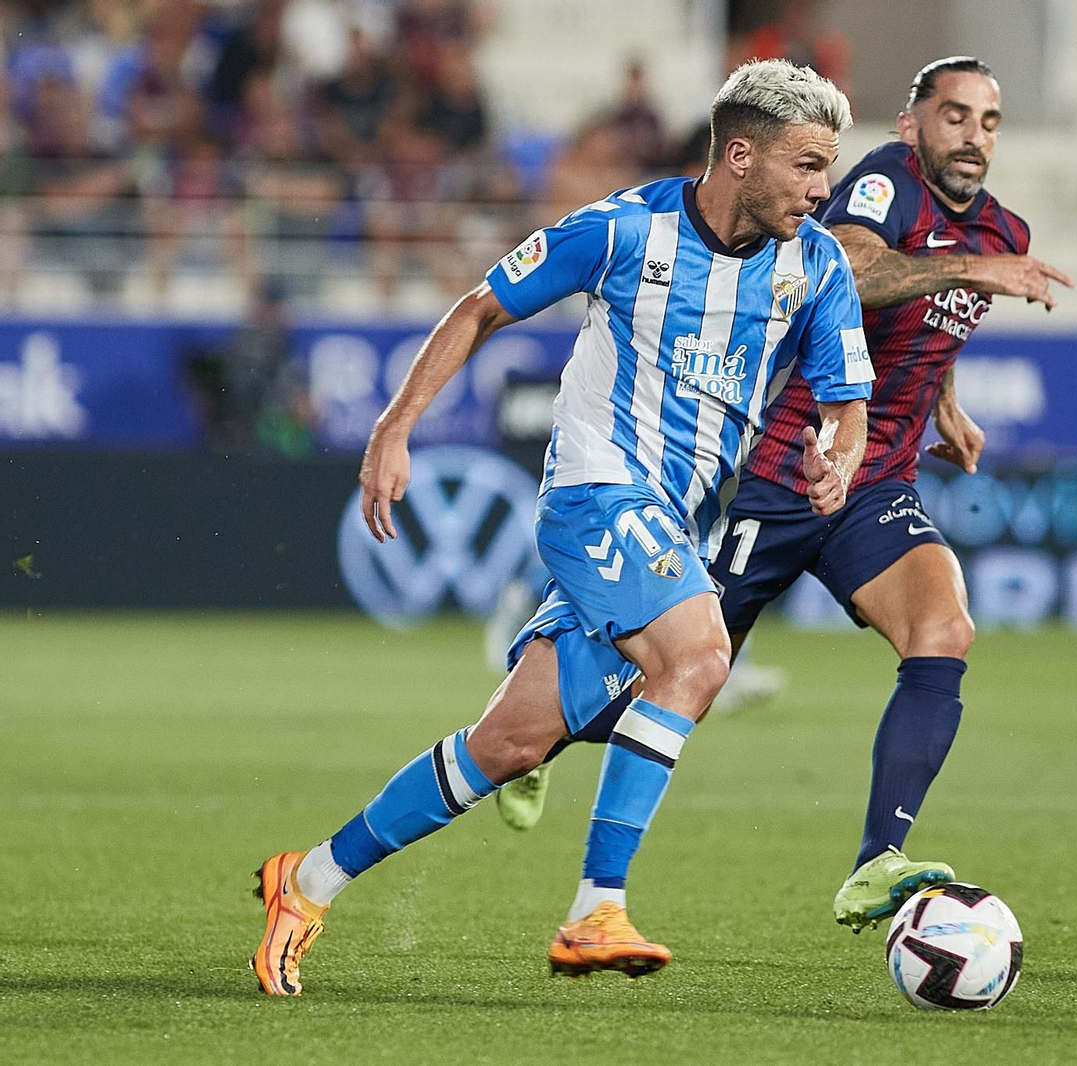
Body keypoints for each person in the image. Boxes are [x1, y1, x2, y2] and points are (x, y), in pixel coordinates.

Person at [250, 59, 869, 995]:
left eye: (829, 167)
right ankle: (595, 910)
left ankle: (305, 881)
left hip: (676, 519)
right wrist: (393, 426)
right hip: (595, 494)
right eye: (808, 165)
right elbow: (480, 307)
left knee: (508, 746)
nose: (824, 189)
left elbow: (845, 400)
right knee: (699, 655)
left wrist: (839, 451)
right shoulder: (626, 229)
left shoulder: (815, 265)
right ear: (740, 155)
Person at [498, 57, 1073, 933]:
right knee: (670, 665)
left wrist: (945, 406)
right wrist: (971, 271)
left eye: (989, 121)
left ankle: (877, 859)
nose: (972, 134)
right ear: (912, 126)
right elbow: (857, 274)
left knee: (943, 626)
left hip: (874, 480)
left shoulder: (1004, 226)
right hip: (780, 473)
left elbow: (919, 334)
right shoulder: (881, 186)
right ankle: (533, 734)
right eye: (952, 115)